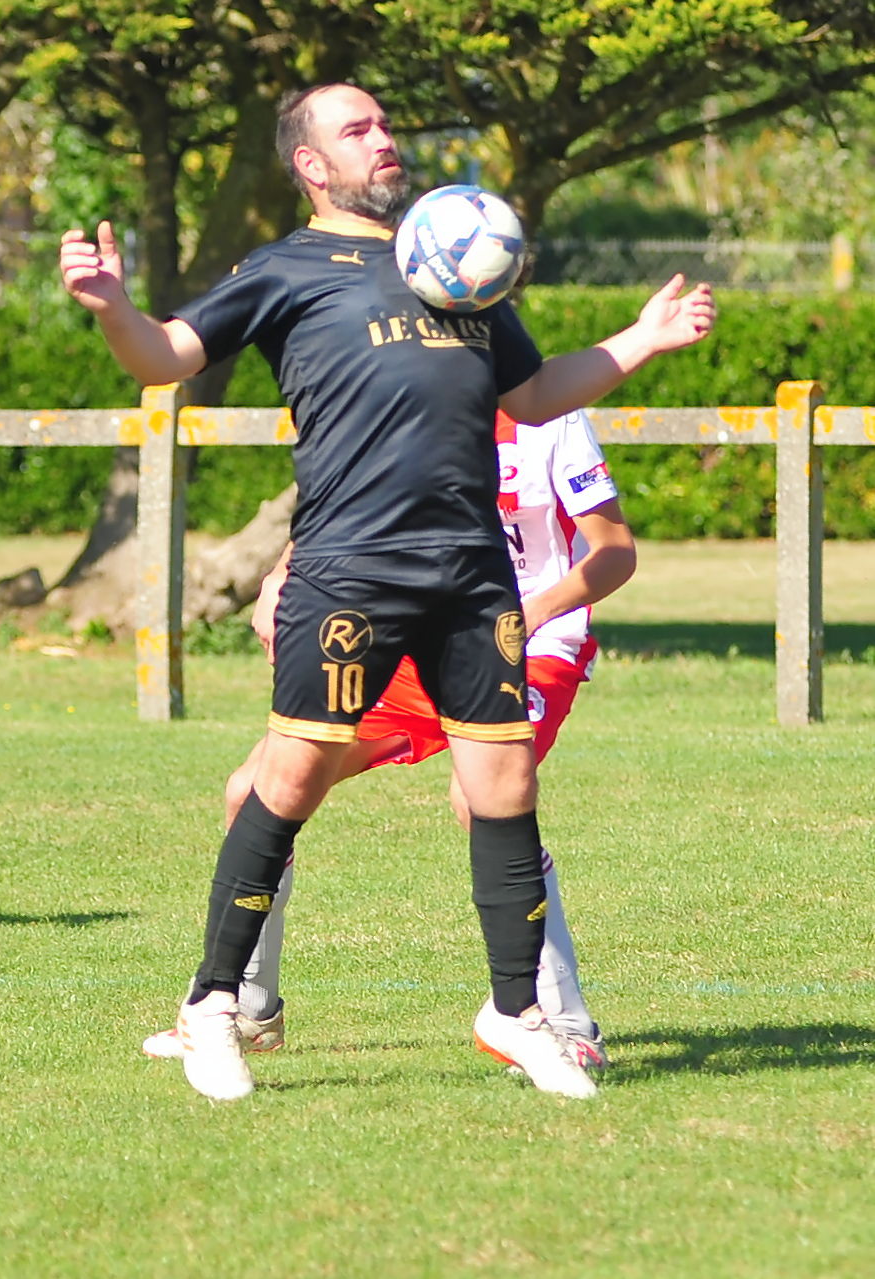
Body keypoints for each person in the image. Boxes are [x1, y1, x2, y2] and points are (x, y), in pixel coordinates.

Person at [59, 82, 715, 1103]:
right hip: (349, 570)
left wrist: (640, 339)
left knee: (503, 787)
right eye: (356, 129)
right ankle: (215, 1008)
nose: (384, 140)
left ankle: (517, 1013)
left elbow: (534, 393)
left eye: (384, 125)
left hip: (472, 574)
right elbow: (163, 357)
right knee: (285, 780)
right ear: (311, 164)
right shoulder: (281, 269)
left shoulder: (454, 260)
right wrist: (113, 308)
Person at [141, 406, 635, 1082]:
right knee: (252, 788)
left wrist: (528, 613)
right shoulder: (401, 390)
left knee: (481, 798)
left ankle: (565, 1024)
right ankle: (249, 1010)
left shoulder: (549, 413)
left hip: (530, 644)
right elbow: (337, 496)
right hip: (409, 640)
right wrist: (281, 575)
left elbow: (615, 550)